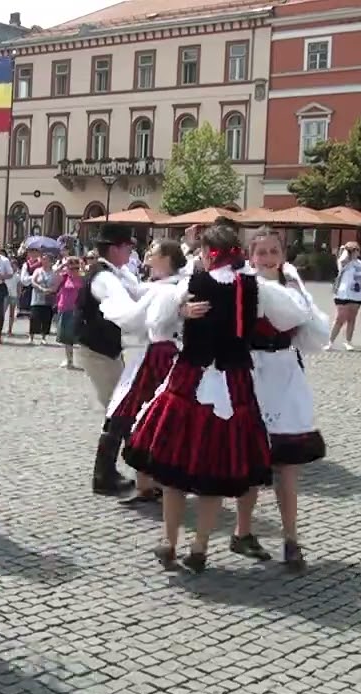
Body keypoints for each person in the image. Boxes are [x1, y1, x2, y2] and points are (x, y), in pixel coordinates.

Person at [124, 219, 311, 573]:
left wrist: (182, 314)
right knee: (215, 465)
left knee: (174, 463)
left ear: (207, 254)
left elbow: (157, 325)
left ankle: (169, 540)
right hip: (234, 382)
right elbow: (295, 316)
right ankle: (200, 547)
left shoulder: (189, 284)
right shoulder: (253, 286)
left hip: (190, 379)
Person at [233, 229, 330, 570]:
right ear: (251, 256)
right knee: (253, 464)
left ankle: (291, 539)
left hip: (287, 375)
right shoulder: (243, 286)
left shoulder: (293, 286)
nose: (269, 258)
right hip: (254, 374)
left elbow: (311, 330)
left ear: (283, 255)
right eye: (262, 252)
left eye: (274, 251)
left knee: (288, 466)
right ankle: (242, 531)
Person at [99, 239, 188, 507]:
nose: (148, 255)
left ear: (167, 258)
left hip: (161, 357)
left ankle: (153, 483)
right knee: (138, 417)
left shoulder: (171, 289)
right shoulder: (163, 286)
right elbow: (138, 290)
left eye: (154, 251)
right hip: (155, 354)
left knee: (144, 416)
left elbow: (150, 319)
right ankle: (148, 484)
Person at [75, 222, 141, 496]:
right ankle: (104, 475)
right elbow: (125, 310)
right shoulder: (105, 278)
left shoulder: (117, 273)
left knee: (120, 409)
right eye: (128, 247)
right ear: (115, 248)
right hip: (98, 351)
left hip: (106, 350)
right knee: (118, 410)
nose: (130, 252)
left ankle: (114, 471)